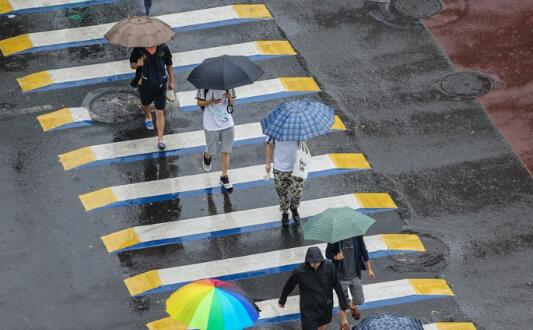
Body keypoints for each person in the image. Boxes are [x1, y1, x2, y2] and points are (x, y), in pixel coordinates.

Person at [278, 246, 350, 330]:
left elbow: (337, 286)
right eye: (313, 263)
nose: (315, 265)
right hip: (308, 309)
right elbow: (289, 285)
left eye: (317, 262)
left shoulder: (329, 267)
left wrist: (343, 304)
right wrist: (283, 299)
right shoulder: (299, 271)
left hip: (325, 306)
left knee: (322, 325)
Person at [130, 43, 174, 150]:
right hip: (145, 84)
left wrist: (172, 81)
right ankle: (148, 115)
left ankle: (160, 139)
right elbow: (132, 65)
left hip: (160, 85)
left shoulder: (163, 48)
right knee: (145, 104)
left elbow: (169, 64)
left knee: (160, 111)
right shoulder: (139, 49)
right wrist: (139, 64)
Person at [326, 236, 375, 328]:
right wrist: (335, 256)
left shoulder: (357, 236)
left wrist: (369, 269)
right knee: (343, 305)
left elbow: (364, 251)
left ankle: (351, 304)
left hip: (355, 276)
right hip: (341, 278)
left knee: (360, 300)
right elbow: (327, 254)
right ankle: (344, 324)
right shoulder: (334, 239)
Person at [196, 89, 236, 190]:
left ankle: (224, 176)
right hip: (211, 125)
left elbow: (232, 103)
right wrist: (211, 101)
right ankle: (207, 156)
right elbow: (199, 103)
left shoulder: (228, 85)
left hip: (227, 123)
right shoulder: (204, 86)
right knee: (212, 151)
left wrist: (229, 97)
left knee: (226, 150)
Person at [264, 138, 304, 226]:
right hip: (279, 168)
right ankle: (285, 212)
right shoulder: (275, 128)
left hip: (296, 167)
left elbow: (303, 145)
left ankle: (294, 208)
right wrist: (267, 163)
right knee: (282, 194)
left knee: (297, 192)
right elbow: (269, 146)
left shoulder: (298, 127)